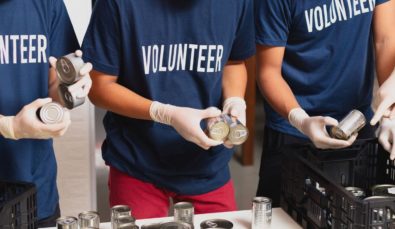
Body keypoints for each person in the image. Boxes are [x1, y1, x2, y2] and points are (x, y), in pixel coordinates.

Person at [82, 0, 255, 219]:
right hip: (137, 159)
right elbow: (98, 86)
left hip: (207, 160)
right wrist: (163, 113)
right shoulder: (118, 4)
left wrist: (235, 100)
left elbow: (233, 61)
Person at [255, 0, 395, 207]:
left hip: (356, 122)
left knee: (355, 211)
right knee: (281, 215)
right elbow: (268, 72)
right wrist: (300, 120)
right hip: (293, 128)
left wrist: (390, 113)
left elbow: (386, 40)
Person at [0, 0, 92, 226]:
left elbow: (54, 87)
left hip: (36, 189)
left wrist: (70, 86)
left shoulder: (47, 4)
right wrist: (8, 126)